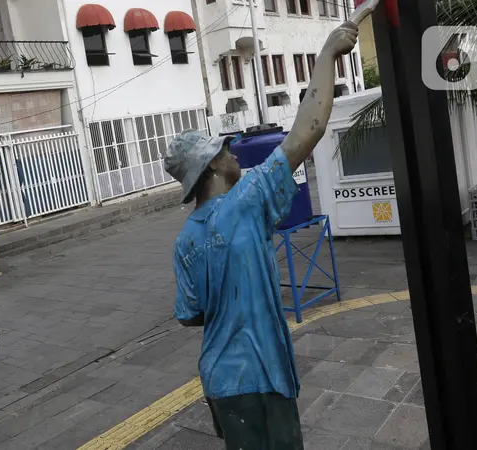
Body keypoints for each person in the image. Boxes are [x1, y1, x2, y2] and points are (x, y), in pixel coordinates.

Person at [163, 21, 361, 450]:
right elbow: (307, 130)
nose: (234, 153)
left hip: (219, 378)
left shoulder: (184, 241)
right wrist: (326, 54)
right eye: (227, 150)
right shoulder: (247, 200)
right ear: (212, 166)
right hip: (261, 372)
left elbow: (189, 313)